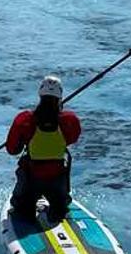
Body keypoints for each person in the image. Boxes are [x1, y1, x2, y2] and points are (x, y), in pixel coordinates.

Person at [7, 75, 82, 224]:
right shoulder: (69, 119)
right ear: (60, 97)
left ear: (40, 95)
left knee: (22, 210)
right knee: (60, 209)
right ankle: (58, 210)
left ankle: (25, 210)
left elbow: (12, 149)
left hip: (31, 178)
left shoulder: (24, 119)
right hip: (57, 179)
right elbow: (71, 139)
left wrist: (24, 138)